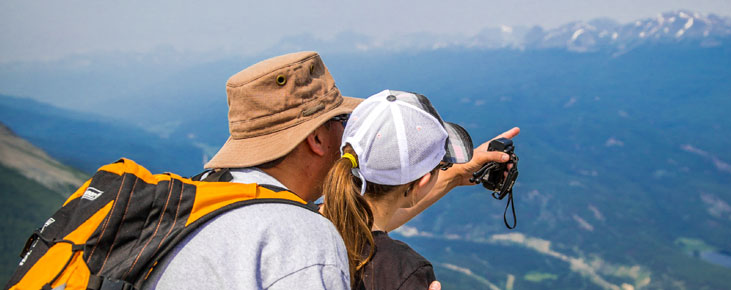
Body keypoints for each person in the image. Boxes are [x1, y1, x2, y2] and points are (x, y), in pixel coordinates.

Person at [142, 51, 519, 290]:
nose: (349, 132)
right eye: (341, 118)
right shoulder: (300, 244)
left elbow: (363, 220)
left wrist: (455, 173)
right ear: (317, 140)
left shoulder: (224, 196)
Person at [320, 89, 476, 290]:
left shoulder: (308, 223)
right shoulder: (405, 272)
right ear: (422, 182)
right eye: (442, 166)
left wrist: (454, 176)